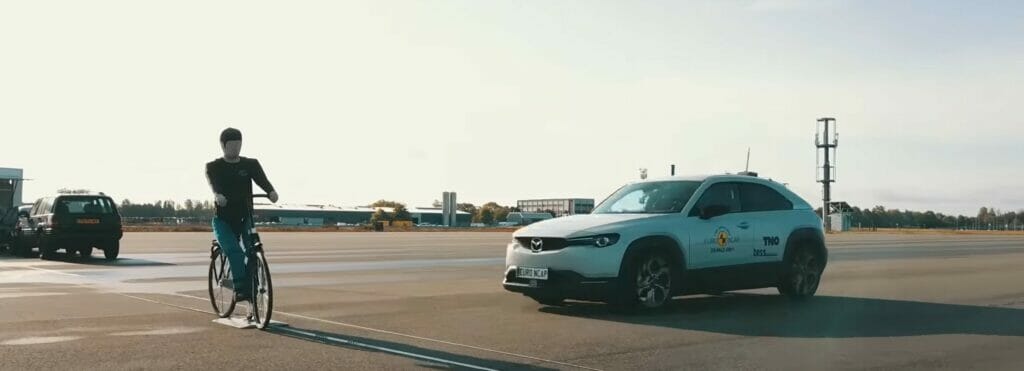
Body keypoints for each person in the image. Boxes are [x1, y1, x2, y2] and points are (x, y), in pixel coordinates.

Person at [206, 128, 279, 301]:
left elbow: (262, 180)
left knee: (253, 250)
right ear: (223, 146)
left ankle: (250, 284)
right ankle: (240, 289)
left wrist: (271, 191)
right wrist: (218, 195)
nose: (236, 148)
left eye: (239, 144)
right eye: (232, 145)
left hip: (245, 216)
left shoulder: (250, 164)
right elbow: (213, 183)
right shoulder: (214, 166)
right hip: (223, 219)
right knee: (235, 251)